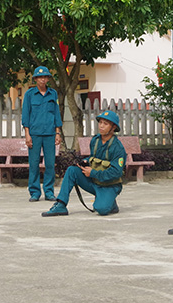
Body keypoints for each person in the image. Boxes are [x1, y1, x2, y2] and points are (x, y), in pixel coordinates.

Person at [42, 110, 126, 217]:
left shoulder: (118, 148)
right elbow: (94, 158)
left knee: (101, 209)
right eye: (100, 122)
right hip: (96, 182)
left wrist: (93, 173)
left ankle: (111, 203)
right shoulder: (95, 141)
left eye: (105, 124)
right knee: (72, 170)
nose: (101, 126)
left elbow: (116, 172)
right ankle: (61, 204)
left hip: (110, 186)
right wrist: (86, 161)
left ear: (113, 127)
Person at [22, 66, 62, 202]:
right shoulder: (29, 94)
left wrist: (58, 132)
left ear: (48, 79)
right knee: (33, 164)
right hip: (34, 133)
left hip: (50, 133)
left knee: (50, 164)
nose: (42, 79)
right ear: (35, 79)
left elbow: (56, 113)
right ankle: (34, 192)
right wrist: (27, 134)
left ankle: (49, 191)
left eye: (45, 77)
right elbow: (25, 115)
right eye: (40, 77)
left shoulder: (53, 94)